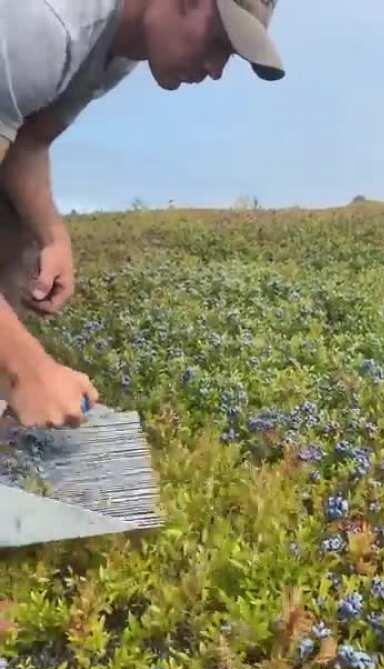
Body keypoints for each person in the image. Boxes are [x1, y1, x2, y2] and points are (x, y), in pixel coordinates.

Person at [0, 0, 284, 428]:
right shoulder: (47, 25)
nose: (216, 68)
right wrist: (27, 367)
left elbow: (29, 139)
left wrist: (54, 235)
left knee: (15, 229)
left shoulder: (119, 50)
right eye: (217, 41)